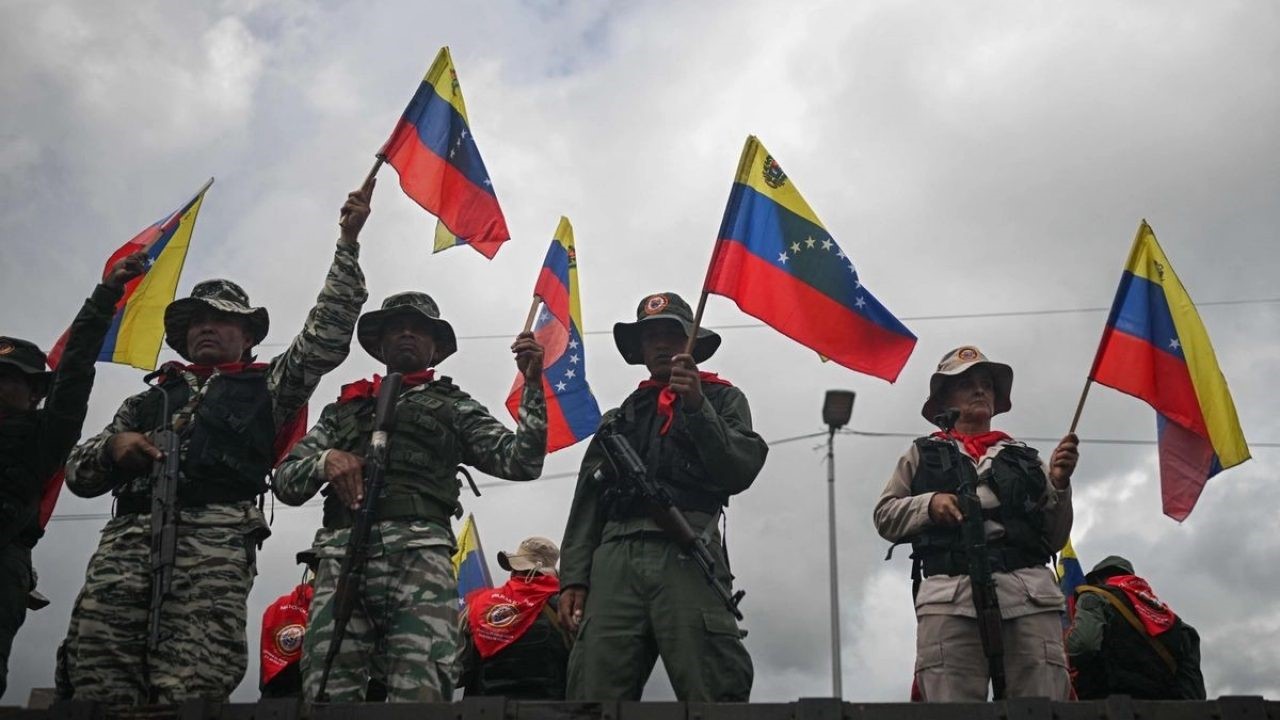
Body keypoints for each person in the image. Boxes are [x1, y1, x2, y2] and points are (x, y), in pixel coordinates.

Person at [58, 181, 376, 704]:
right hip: (126, 545)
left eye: (222, 320)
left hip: (216, 544)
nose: (207, 328)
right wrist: (114, 449)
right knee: (98, 676)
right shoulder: (149, 399)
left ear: (247, 335)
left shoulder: (270, 386)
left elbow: (325, 338)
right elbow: (78, 474)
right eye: (197, 322)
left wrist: (347, 243)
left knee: (194, 684)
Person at [273, 291, 548, 702]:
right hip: (342, 560)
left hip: (420, 561)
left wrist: (533, 384)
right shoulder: (344, 410)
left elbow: (522, 461)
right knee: (327, 689)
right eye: (396, 328)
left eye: (418, 329)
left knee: (422, 689)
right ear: (380, 344)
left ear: (435, 347)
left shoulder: (455, 407)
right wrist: (325, 460)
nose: (407, 334)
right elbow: (285, 482)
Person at [559, 292, 766, 701]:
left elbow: (739, 469)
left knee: (713, 687)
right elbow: (587, 503)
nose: (660, 344)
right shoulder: (620, 417)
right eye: (650, 336)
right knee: (593, 685)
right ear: (639, 348)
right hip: (614, 557)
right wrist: (574, 579)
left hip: (687, 549)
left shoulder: (723, 399)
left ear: (691, 342)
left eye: (671, 334)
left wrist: (696, 406)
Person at [873, 346, 1079, 701]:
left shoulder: (1026, 459)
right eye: (966, 383)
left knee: (1041, 706)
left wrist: (1060, 483)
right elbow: (885, 516)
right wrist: (929, 504)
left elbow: (1055, 537)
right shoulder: (921, 454)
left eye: (986, 384)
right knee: (952, 708)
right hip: (950, 599)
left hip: (1029, 598)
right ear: (944, 399)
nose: (980, 390)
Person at [0, 253, 147, 698]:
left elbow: (76, 366)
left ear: (34, 392)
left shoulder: (42, 434)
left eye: (8, 377)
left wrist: (107, 294)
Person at [1067, 555, 1206, 699]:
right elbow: (1193, 690)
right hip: (1162, 707)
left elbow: (1084, 644)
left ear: (1098, 579)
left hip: (1104, 704)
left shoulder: (1095, 596)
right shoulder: (1177, 624)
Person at [458, 536, 572, 699]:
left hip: (483, 709)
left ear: (514, 570)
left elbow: (455, 671)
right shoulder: (567, 608)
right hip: (552, 709)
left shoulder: (478, 606)